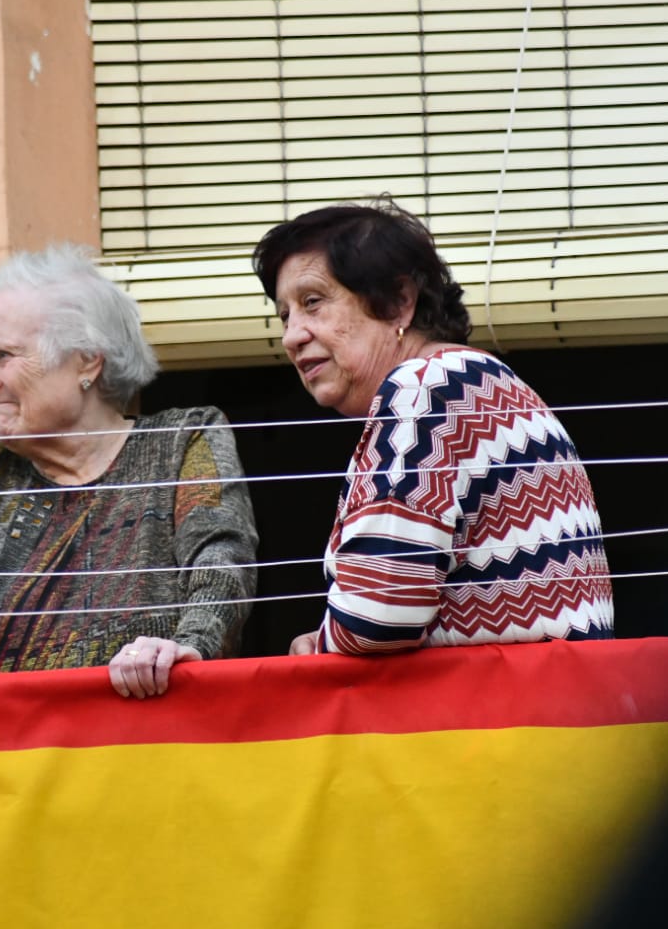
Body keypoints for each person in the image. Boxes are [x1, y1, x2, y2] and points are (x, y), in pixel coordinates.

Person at [0, 244, 258, 706]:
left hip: (154, 737)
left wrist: (188, 645)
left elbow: (220, 560)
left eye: (3, 356)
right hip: (12, 752)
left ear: (87, 361)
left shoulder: (182, 438)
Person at [252, 201, 613, 656]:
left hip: (495, 720)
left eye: (312, 302)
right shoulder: (473, 381)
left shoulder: (425, 388)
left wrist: (321, 645)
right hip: (552, 713)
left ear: (400, 300)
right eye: (285, 315)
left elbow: (380, 614)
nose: (291, 336)